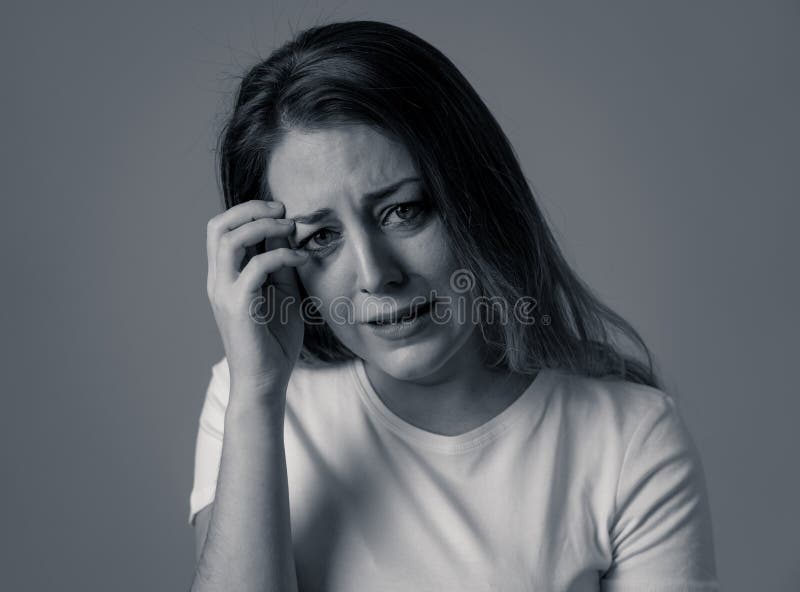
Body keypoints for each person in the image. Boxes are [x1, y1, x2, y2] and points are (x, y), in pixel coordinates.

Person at [189, 20, 719, 592]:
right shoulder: (251, 403)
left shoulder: (629, 440)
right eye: (321, 237)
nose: (376, 275)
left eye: (403, 210)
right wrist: (257, 397)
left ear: (477, 200)